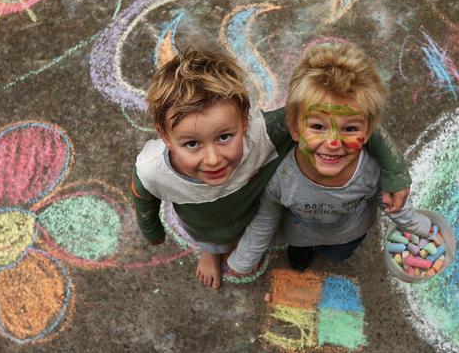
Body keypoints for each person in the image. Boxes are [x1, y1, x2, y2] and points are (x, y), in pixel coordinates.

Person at [131, 45, 414, 289]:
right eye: (192, 144)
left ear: (245, 121)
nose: (214, 158)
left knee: (244, 234)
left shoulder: (264, 133)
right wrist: (152, 231)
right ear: (165, 136)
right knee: (210, 239)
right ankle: (210, 252)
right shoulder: (151, 170)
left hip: (248, 216)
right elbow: (143, 200)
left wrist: (396, 172)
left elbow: (348, 118)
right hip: (202, 223)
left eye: (225, 137)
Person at [227, 43, 432, 274]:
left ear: (369, 131)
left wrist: (425, 230)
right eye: (317, 126)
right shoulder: (278, 177)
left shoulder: (373, 172)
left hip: (349, 234)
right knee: (298, 253)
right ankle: (301, 254)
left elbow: (395, 205)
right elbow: (265, 218)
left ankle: (330, 252)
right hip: (299, 235)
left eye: (350, 128)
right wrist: (244, 259)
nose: (333, 143)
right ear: (294, 128)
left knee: (337, 254)